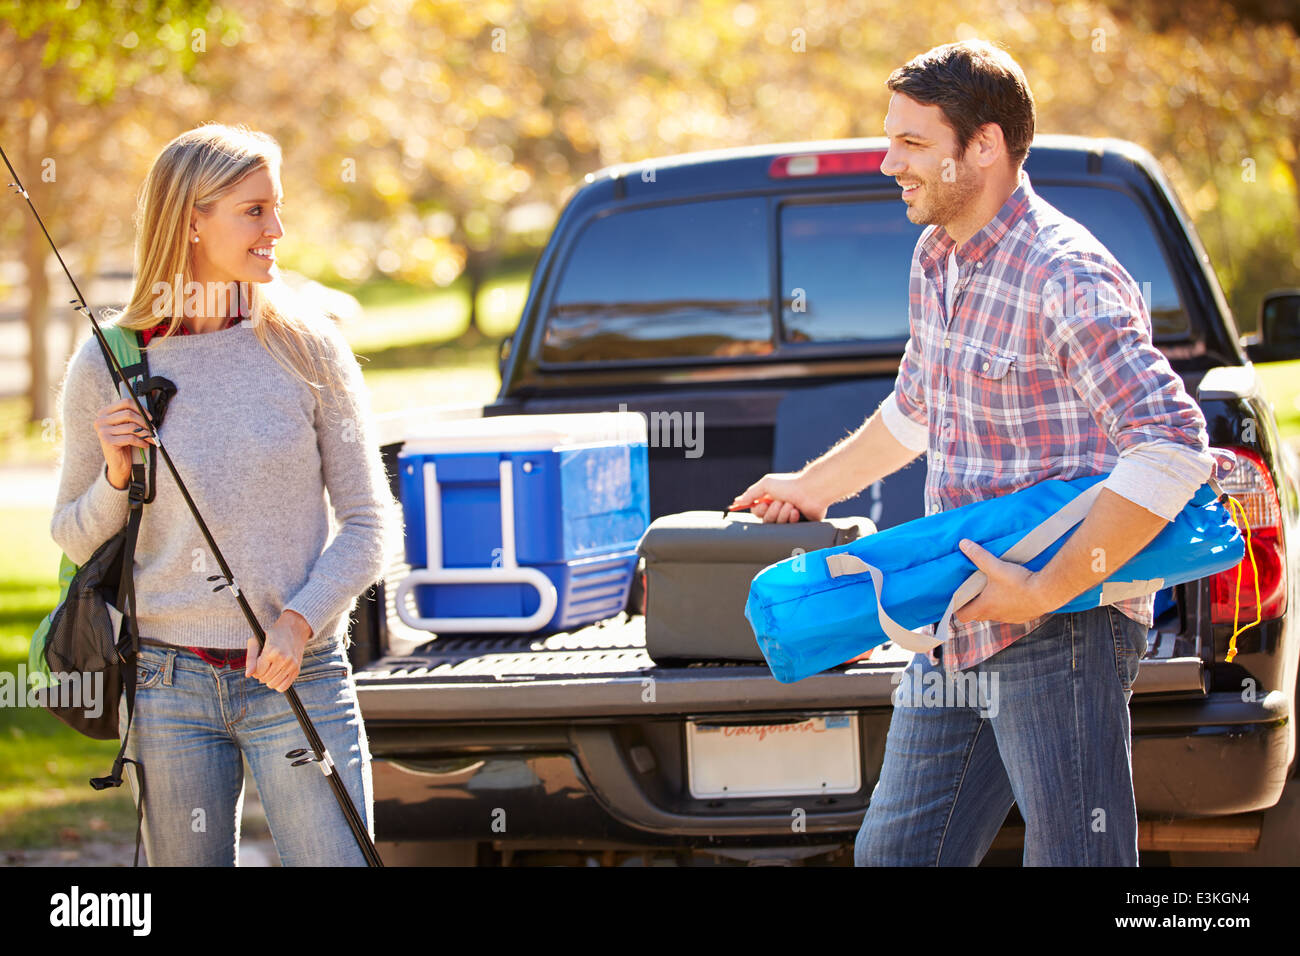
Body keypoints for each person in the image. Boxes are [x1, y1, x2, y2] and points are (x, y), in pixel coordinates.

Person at [731, 40, 1214, 866]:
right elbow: (918, 412)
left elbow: (1172, 444)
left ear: (983, 146)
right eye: (892, 141)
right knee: (897, 855)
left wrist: (1042, 590)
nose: (889, 164)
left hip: (1065, 623)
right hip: (956, 616)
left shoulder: (1065, 276)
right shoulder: (938, 257)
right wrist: (813, 487)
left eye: (913, 144)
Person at [50, 123, 394, 866]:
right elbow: (76, 540)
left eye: (277, 208)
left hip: (299, 674)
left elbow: (371, 524)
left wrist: (299, 623)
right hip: (166, 688)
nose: (278, 229)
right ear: (192, 220)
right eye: (255, 210)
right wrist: (116, 472)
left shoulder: (308, 346)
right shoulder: (108, 362)